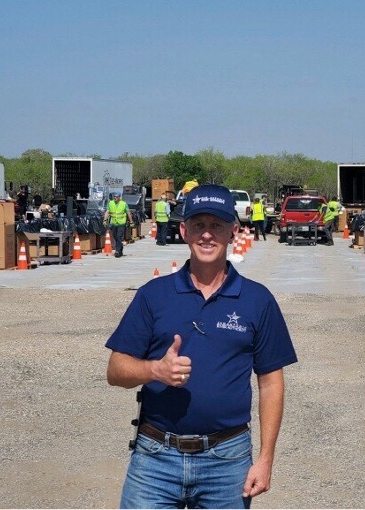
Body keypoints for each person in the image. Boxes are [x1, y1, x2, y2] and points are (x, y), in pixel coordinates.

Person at [105, 184, 297, 509]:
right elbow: (115, 370)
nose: (207, 235)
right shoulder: (154, 295)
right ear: (184, 230)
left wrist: (265, 459)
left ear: (233, 231)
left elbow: (270, 382)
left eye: (217, 226)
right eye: (198, 225)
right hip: (155, 459)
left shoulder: (257, 300)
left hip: (228, 460)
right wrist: (155, 370)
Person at [104, 192, 134, 258]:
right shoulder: (110, 203)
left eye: (116, 197)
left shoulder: (124, 204)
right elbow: (107, 212)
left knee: (119, 236)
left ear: (119, 197)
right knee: (115, 237)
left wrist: (131, 221)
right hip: (113, 223)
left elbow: (128, 212)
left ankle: (117, 251)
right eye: (114, 196)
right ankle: (120, 249)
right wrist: (105, 220)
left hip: (121, 223)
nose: (115, 198)